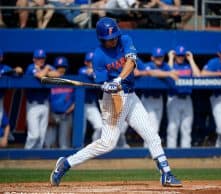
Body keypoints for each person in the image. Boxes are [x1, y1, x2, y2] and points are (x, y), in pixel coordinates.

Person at [50, 17, 181, 187]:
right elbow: (104, 83)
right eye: (109, 39)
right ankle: (66, 163)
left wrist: (118, 80)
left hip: (130, 96)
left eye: (114, 37)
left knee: (152, 135)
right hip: (111, 100)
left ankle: (166, 174)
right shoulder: (98, 56)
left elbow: (131, 62)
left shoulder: (125, 40)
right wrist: (108, 87)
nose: (113, 41)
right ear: (101, 39)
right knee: (108, 143)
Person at [134, 47, 178, 147]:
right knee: (152, 126)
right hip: (147, 99)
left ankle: (150, 149)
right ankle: (149, 150)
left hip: (159, 99)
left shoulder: (165, 66)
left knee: (155, 127)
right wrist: (168, 74)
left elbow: (174, 72)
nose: (159, 59)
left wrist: (170, 71)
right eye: (157, 57)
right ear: (152, 58)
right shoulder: (148, 65)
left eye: (161, 57)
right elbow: (151, 72)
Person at [166, 45, 200, 148]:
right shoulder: (172, 65)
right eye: (178, 55)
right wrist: (171, 58)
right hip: (174, 98)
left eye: (182, 55)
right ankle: (171, 151)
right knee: (173, 127)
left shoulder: (188, 66)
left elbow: (198, 76)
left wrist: (191, 60)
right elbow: (168, 73)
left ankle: (186, 152)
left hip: (187, 99)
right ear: (175, 55)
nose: (180, 57)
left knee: (187, 128)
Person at [24, 49, 57, 149]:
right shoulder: (30, 67)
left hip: (45, 104)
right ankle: (26, 154)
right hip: (33, 104)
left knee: (41, 136)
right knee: (34, 135)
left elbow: (57, 74)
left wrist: (45, 70)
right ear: (34, 59)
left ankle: (35, 159)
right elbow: (40, 75)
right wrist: (46, 70)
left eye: (42, 58)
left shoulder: (47, 67)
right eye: (38, 58)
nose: (41, 60)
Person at [49, 56, 75, 149]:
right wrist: (49, 114)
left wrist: (70, 109)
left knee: (64, 144)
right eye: (59, 67)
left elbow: (77, 99)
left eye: (63, 67)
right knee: (49, 144)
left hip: (66, 115)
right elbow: (47, 99)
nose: (61, 69)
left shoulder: (71, 80)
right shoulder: (50, 81)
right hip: (53, 115)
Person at [78, 51, 102, 142]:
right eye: (89, 61)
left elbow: (99, 76)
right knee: (81, 130)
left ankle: (94, 147)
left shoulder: (97, 70)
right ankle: (78, 149)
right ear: (85, 62)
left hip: (91, 104)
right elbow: (93, 75)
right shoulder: (82, 70)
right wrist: (95, 73)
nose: (91, 63)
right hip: (80, 104)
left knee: (99, 126)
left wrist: (95, 72)